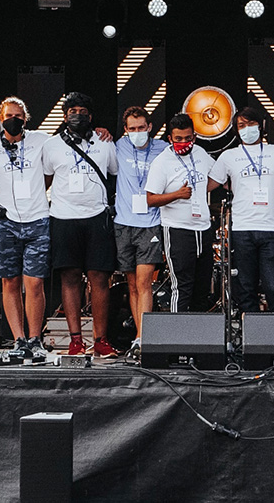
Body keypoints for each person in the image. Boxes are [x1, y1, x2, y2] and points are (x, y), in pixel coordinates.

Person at [206, 107, 274, 313]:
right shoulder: (229, 156)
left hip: (271, 228)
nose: (247, 129)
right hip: (242, 228)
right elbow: (209, 184)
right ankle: (249, 335)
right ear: (236, 130)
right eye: (241, 126)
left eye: (250, 124)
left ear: (261, 125)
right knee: (246, 286)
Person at [43, 92, 119, 357]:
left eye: (83, 111)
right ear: (64, 116)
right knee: (70, 276)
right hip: (63, 217)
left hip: (97, 216)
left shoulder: (104, 141)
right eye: (73, 110)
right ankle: (76, 340)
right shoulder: (51, 146)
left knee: (99, 277)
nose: (78, 115)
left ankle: (101, 339)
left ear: (91, 115)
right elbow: (44, 181)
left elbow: (114, 173)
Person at [0, 96, 51, 357]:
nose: (14, 119)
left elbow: (52, 169)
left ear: (26, 118)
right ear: (0, 118)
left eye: (19, 115)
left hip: (38, 218)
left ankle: (35, 338)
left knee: (34, 283)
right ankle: (19, 338)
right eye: (9, 115)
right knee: (10, 280)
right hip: (6, 220)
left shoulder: (41, 141)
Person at [146, 113, 215, 313]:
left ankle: (201, 340)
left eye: (188, 138)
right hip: (178, 230)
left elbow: (216, 178)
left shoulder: (201, 153)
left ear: (194, 136)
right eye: (178, 139)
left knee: (202, 288)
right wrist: (177, 195)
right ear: (170, 138)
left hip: (203, 228)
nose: (184, 142)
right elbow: (150, 199)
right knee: (182, 286)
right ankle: (178, 339)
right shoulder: (162, 162)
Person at [114, 106, 165, 358]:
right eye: (132, 129)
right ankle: (139, 335)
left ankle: (142, 338)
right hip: (123, 223)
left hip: (151, 222)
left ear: (149, 127)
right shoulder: (118, 146)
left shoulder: (164, 149)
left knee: (145, 282)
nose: (137, 132)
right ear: (125, 130)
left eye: (141, 128)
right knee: (132, 284)